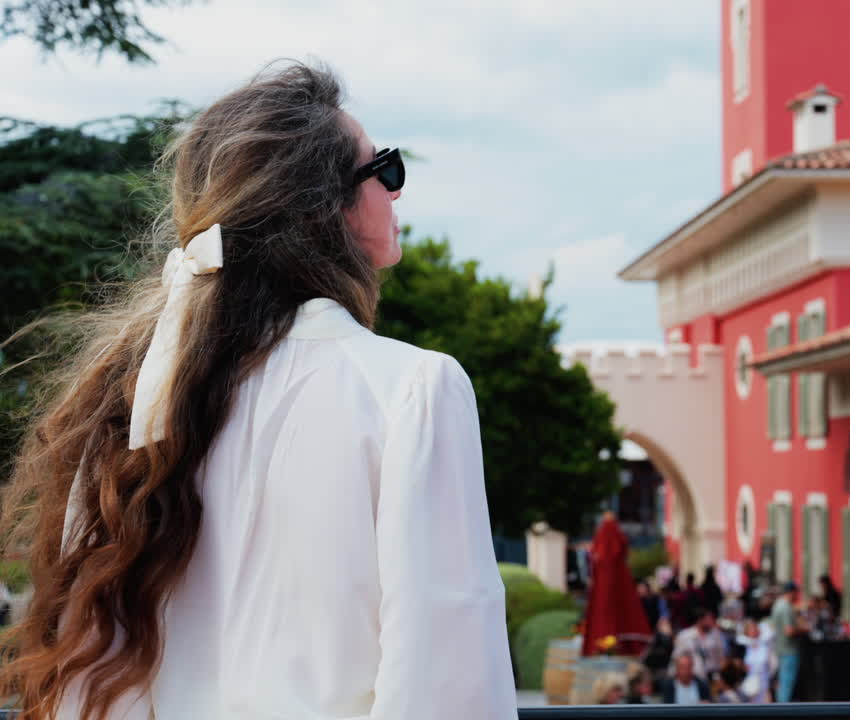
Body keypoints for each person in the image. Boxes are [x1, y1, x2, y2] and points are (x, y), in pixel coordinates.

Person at [0, 62, 516, 719]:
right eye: (384, 169)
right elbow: (447, 678)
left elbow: (85, 674)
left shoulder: (127, 400)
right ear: (325, 207)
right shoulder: (413, 389)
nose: (396, 191)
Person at [671, 607, 729, 682]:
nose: (712, 621)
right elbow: (676, 657)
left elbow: (722, 657)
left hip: (712, 675)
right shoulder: (685, 635)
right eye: (709, 619)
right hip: (692, 676)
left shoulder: (717, 635)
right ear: (700, 620)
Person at [770, 581, 805, 703]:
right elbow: (789, 631)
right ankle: (783, 711)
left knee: (782, 683)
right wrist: (803, 630)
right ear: (791, 592)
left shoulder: (778, 605)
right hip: (788, 650)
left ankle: (781, 707)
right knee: (786, 684)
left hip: (780, 648)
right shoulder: (785, 607)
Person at [737, 618, 776, 703]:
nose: (753, 631)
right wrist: (743, 667)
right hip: (750, 683)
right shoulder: (743, 646)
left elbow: (773, 664)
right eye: (750, 629)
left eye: (754, 628)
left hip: (765, 681)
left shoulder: (765, 643)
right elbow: (739, 663)